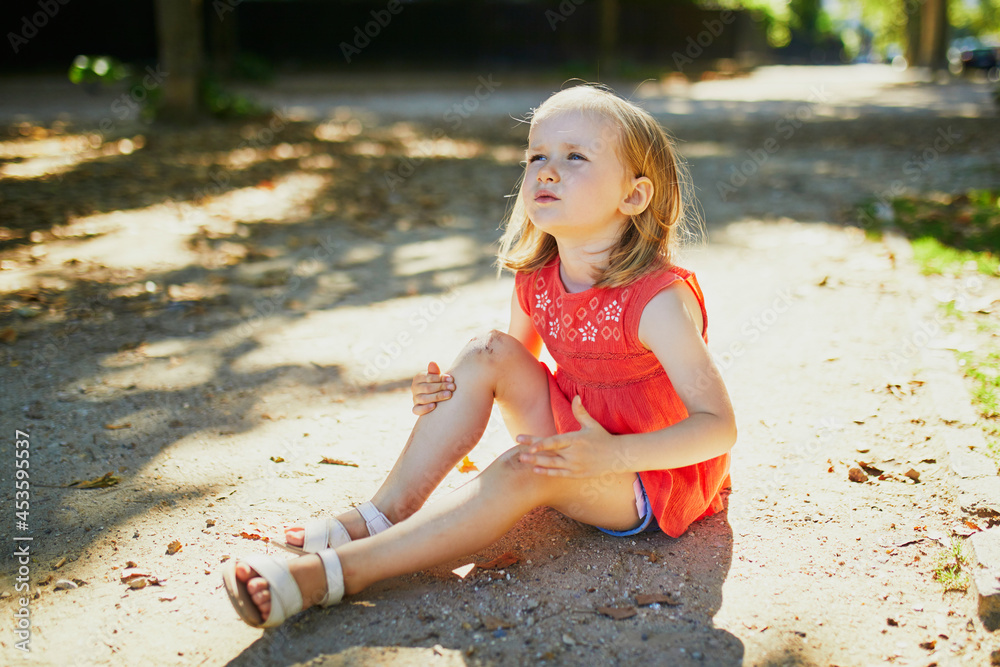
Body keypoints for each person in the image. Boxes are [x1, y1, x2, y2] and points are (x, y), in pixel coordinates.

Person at [223, 84, 736, 628]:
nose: (546, 170)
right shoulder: (537, 278)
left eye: (575, 157)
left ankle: (340, 573)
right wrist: (448, 390)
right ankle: (383, 513)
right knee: (487, 348)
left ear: (633, 196)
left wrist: (610, 457)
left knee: (524, 466)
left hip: (648, 477)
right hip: (581, 434)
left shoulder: (657, 300)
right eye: (536, 155)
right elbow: (510, 363)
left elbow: (719, 428)